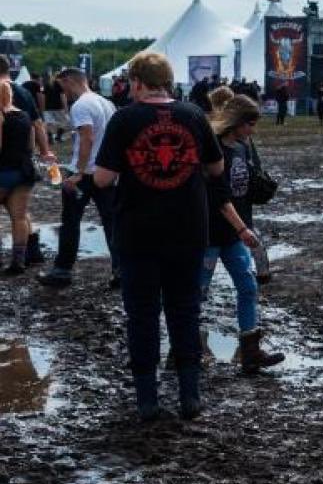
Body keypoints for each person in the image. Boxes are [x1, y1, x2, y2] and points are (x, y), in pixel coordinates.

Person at [92, 52, 224, 421]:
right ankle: (189, 396)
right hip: (187, 230)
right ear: (166, 81)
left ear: (136, 82)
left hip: (138, 232)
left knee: (142, 315)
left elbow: (102, 178)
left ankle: (147, 400)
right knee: (185, 311)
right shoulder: (194, 116)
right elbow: (216, 167)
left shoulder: (125, 119)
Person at [201, 94, 285, 373]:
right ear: (236, 121)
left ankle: (250, 351)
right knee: (198, 292)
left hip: (234, 235)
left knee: (248, 287)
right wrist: (243, 229)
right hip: (212, 235)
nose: (253, 130)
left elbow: (242, 189)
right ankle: (184, 347)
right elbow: (221, 198)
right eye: (249, 123)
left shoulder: (241, 147)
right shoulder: (214, 152)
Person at [38, 68, 118, 289]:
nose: (62, 91)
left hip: (85, 174)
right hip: (105, 172)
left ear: (69, 81)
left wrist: (79, 172)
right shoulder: (106, 103)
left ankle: (62, 271)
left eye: (61, 85)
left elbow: (87, 138)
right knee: (112, 223)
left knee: (71, 222)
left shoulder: (81, 105)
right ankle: (120, 270)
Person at [0, 55, 50, 265]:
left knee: (16, 212)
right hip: (23, 166)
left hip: (4, 166)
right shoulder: (24, 93)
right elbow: (37, 126)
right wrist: (45, 151)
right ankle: (27, 254)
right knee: (19, 213)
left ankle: (29, 252)